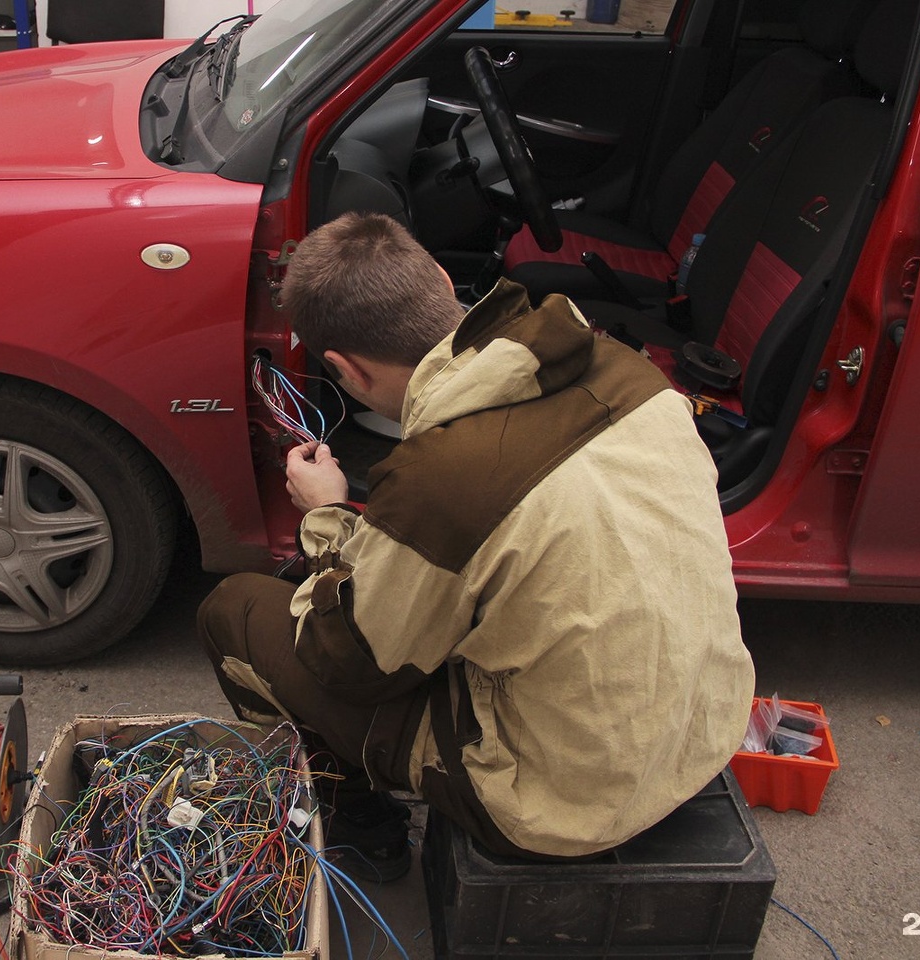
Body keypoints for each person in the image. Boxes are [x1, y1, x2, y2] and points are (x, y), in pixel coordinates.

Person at [198, 212, 755, 881]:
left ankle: (365, 832)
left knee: (235, 610)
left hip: (561, 805)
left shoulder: (443, 482)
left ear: (344, 369)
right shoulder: (630, 373)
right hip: (705, 733)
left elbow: (353, 665)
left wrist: (326, 516)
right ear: (440, 280)